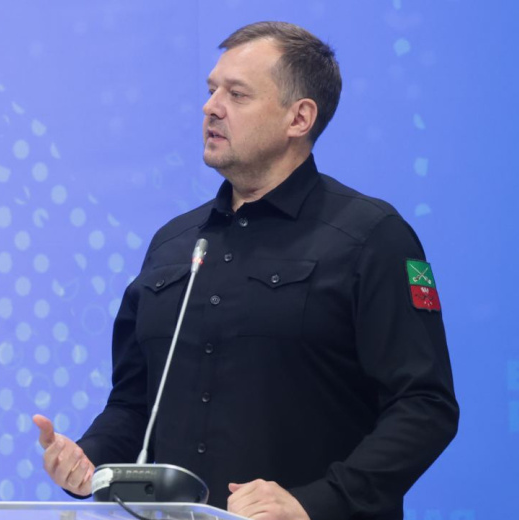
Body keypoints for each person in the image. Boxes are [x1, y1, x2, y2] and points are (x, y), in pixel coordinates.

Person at [33, 21, 459, 520]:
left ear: (299, 118)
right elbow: (134, 404)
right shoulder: (172, 244)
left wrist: (314, 502)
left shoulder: (373, 236)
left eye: (236, 94)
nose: (211, 107)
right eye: (211, 90)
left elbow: (424, 406)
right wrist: (91, 458)